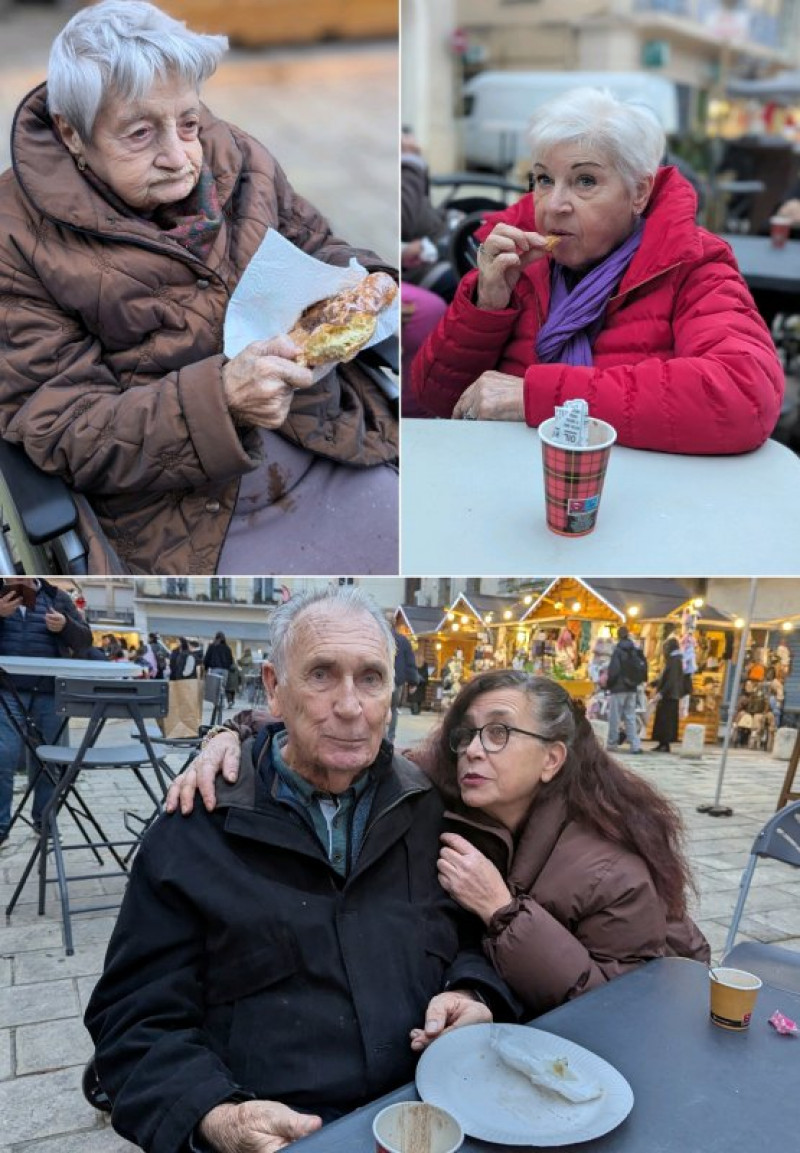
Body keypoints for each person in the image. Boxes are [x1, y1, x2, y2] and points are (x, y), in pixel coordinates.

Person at [85, 589, 516, 1153]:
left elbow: (466, 939)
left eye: (370, 678)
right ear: (273, 688)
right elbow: (133, 1020)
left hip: (423, 1118)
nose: (350, 705)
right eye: (321, 674)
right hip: (277, 1132)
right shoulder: (196, 828)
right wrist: (212, 1114)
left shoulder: (425, 810)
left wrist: (471, 992)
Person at [0, 1, 398, 576]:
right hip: (184, 510)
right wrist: (224, 399)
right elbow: (62, 427)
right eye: (141, 133)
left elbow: (316, 246)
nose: (181, 156)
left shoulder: (236, 155)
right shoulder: (16, 239)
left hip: (328, 434)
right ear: (72, 133)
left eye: (188, 122)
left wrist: (365, 282)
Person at [170, 667, 710, 1023]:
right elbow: (340, 739)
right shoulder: (448, 783)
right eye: (467, 733)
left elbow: (618, 1011)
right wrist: (229, 735)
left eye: (499, 733)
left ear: (552, 759)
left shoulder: (610, 870)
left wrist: (501, 911)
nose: (474, 750)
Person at [411, 87, 784, 454]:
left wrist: (539, 399)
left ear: (639, 193)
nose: (554, 205)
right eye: (543, 179)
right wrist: (486, 308)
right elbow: (436, 398)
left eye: (585, 181)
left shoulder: (692, 263)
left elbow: (745, 397)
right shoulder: (518, 255)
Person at [0, 579, 92, 846]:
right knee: (3, 756)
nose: (20, 581)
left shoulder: (57, 596)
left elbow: (85, 640)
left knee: (48, 761)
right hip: (6, 691)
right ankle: (1, 827)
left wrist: (65, 626)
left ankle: (44, 820)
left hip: (50, 692)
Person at [606, 626, 647, 754]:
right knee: (630, 716)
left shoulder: (618, 650)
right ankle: (634, 745)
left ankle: (612, 743)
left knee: (615, 717)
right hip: (632, 688)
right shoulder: (635, 649)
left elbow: (614, 670)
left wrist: (609, 684)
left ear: (618, 636)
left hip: (618, 688)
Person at [651, 636, 688, 753]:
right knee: (663, 720)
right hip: (670, 695)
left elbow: (671, 680)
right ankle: (662, 743)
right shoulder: (675, 660)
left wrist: (661, 692)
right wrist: (655, 682)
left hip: (669, 696)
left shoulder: (674, 661)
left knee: (666, 721)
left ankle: (665, 743)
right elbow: (667, 677)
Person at [388, 622, 420, 744]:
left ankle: (379, 737)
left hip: (379, 680)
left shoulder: (378, 636)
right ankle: (390, 738)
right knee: (393, 708)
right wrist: (413, 681)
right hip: (397, 680)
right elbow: (410, 661)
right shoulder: (403, 640)